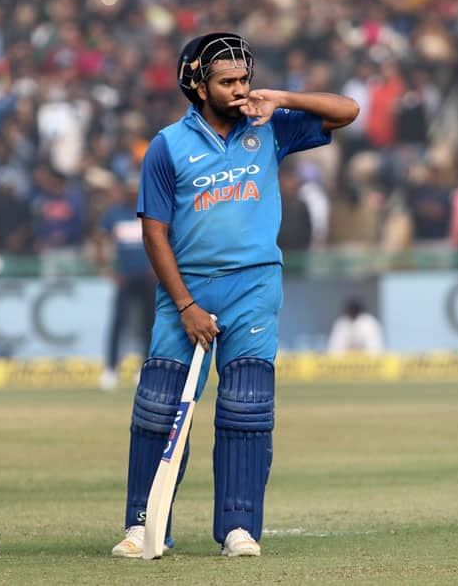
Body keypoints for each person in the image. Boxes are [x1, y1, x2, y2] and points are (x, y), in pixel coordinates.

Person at [111, 32, 358, 558]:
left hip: (254, 284)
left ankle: (238, 529)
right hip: (188, 289)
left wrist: (282, 98)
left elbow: (348, 110)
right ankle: (142, 526)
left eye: (245, 79)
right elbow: (154, 233)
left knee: (246, 405)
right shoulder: (167, 146)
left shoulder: (269, 127)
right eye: (228, 82)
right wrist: (185, 306)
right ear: (198, 85)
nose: (240, 90)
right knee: (158, 406)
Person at [97, 177, 158, 391]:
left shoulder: (151, 212)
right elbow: (100, 238)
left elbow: (163, 239)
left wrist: (156, 268)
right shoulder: (115, 213)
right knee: (119, 323)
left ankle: (145, 368)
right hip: (125, 277)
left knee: (147, 325)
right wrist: (106, 268)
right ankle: (111, 369)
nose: (133, 194)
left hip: (147, 278)